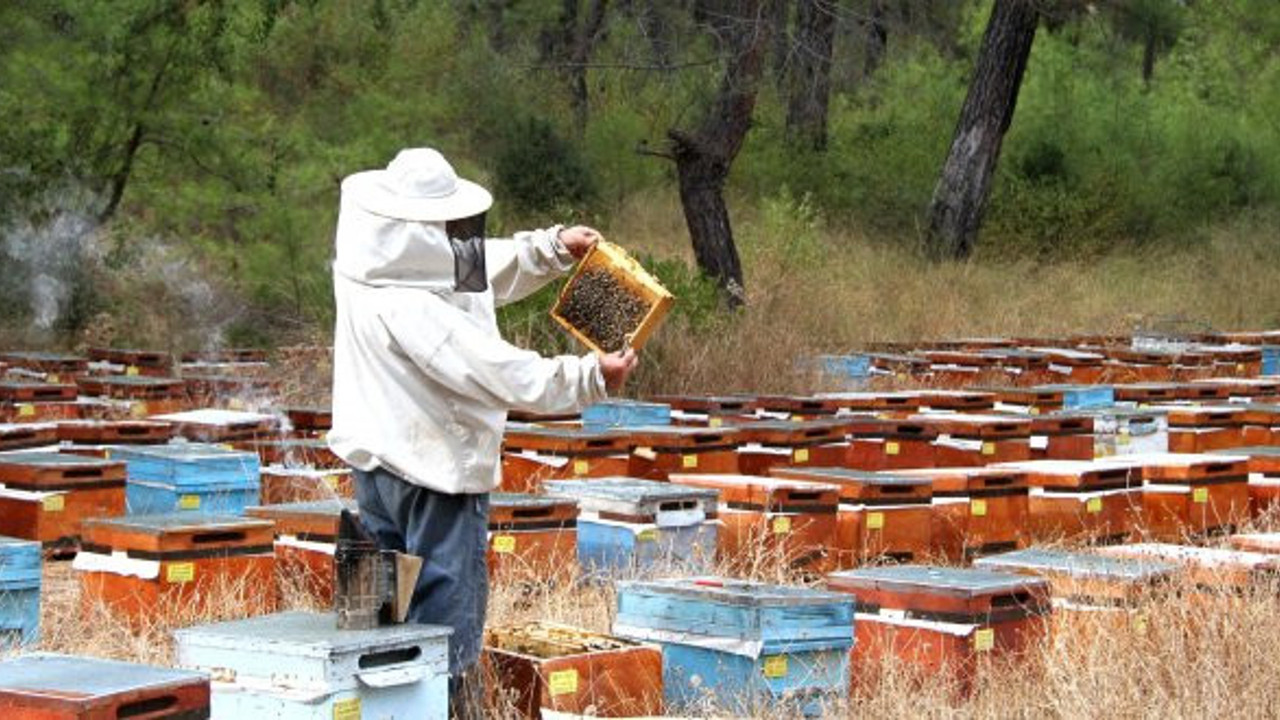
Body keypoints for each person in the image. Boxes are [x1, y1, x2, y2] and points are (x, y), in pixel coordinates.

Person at [327, 147, 638, 718]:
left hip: (375, 473)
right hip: (435, 479)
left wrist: (546, 250)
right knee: (446, 634)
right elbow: (496, 369)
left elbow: (466, 267)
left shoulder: (363, 261)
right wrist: (589, 377)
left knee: (378, 632)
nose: (457, 234)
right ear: (420, 229)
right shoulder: (412, 306)